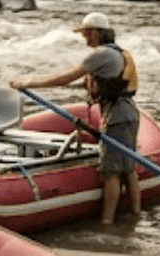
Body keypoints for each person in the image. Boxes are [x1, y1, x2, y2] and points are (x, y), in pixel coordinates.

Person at [11, 13, 140, 226]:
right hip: (128, 114)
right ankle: (135, 215)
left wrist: (28, 82)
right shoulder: (117, 53)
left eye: (87, 33)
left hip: (117, 117)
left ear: (97, 33)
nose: (85, 38)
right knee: (129, 169)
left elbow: (67, 76)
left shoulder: (100, 54)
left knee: (111, 173)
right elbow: (89, 83)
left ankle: (107, 222)